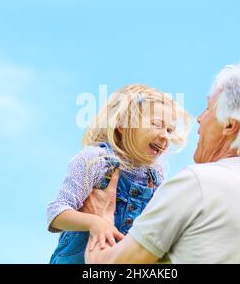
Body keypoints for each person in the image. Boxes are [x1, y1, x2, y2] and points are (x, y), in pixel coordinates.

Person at [85, 60, 240, 264]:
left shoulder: (199, 183)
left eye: (208, 108)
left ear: (229, 125)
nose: (200, 119)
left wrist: (101, 221)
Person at [47, 84, 191, 264]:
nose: (166, 136)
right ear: (122, 124)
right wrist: (94, 223)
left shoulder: (154, 177)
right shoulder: (95, 159)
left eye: (170, 130)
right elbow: (56, 213)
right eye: (156, 124)